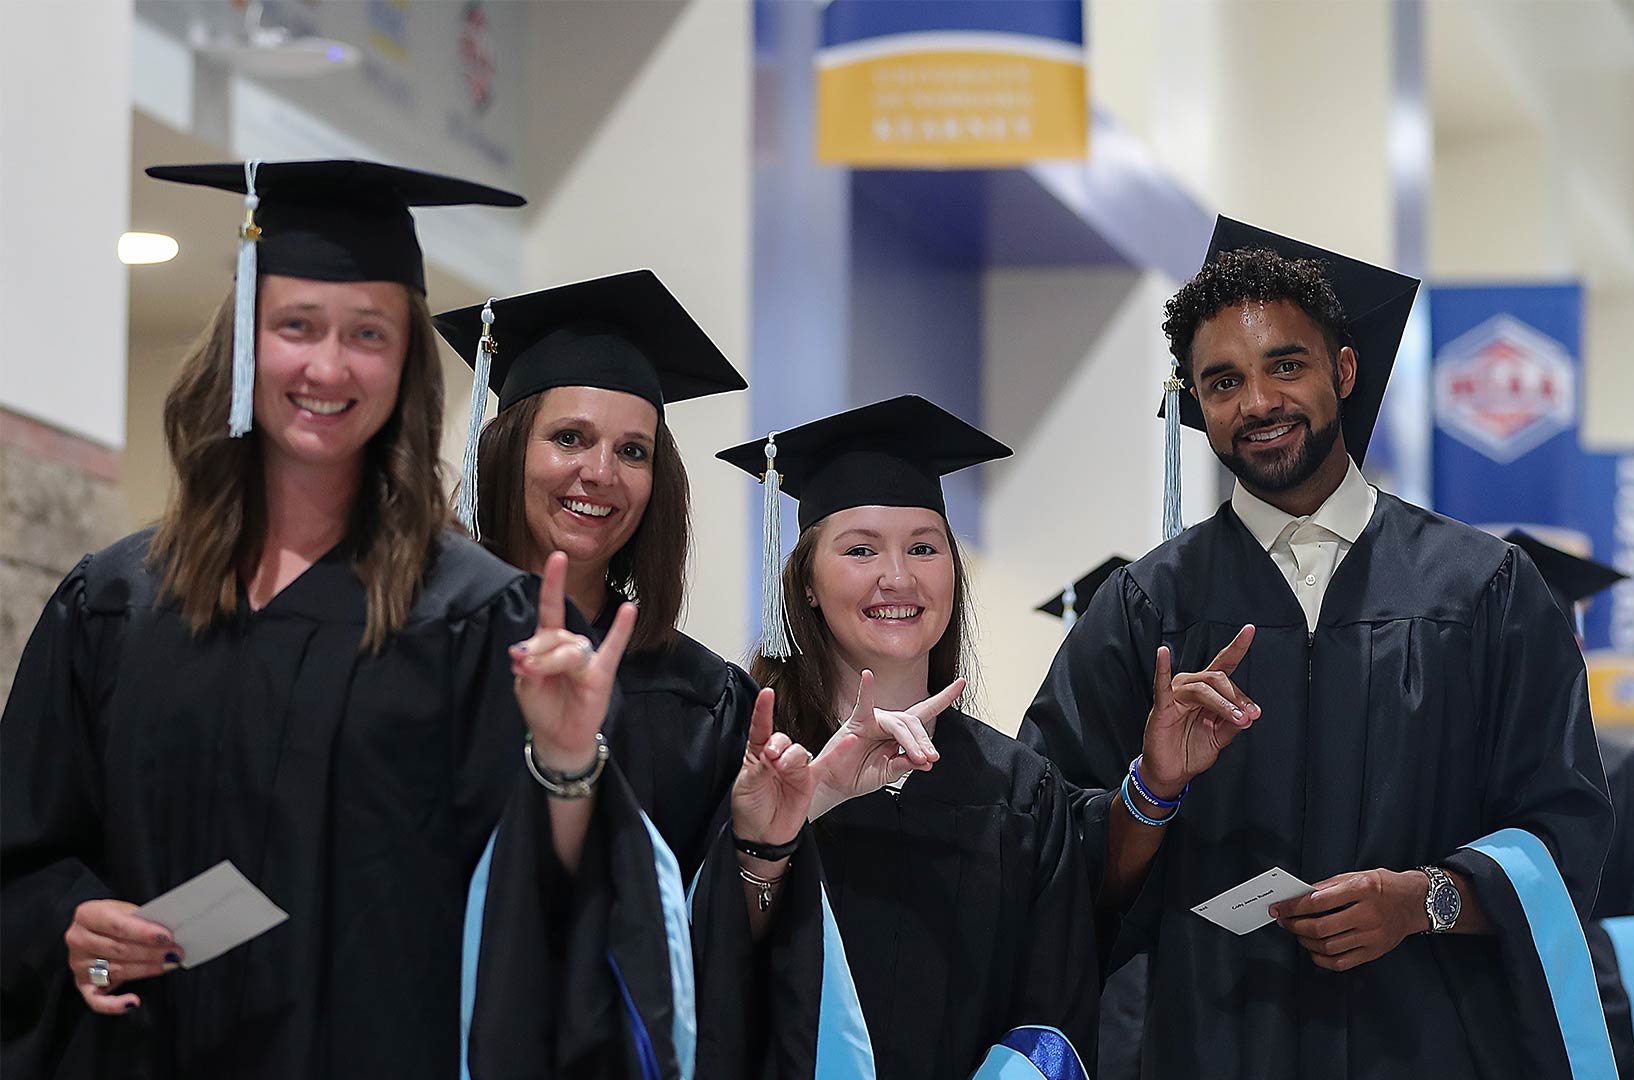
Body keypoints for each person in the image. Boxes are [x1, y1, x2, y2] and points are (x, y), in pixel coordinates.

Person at [0, 160, 687, 1078]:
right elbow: (24, 856)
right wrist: (67, 926)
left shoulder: (478, 619)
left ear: (403, 362)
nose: (328, 366)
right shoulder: (116, 603)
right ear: (244, 340)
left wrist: (566, 766)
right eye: (297, 327)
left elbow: (542, 918)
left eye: (368, 333)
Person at [1021, 217, 1615, 1079]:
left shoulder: (1481, 591)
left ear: (1343, 371)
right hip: (1213, 1047)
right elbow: (1051, 861)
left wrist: (1424, 900)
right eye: (1222, 382)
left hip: (1428, 1047)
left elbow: (1567, 833)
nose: (1257, 402)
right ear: (1198, 402)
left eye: (1285, 366)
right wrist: (1151, 791)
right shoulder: (1147, 608)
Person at [439, 271, 936, 1074]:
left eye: (632, 451)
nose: (599, 472)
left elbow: (727, 961)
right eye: (569, 438)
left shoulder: (703, 700)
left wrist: (763, 846)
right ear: (505, 447)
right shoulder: (427, 651)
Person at [717, 394, 1100, 1079]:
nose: (897, 577)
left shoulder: (1019, 789)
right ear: (805, 579)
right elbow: (701, 969)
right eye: (861, 549)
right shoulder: (751, 760)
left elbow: (1054, 1015)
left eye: (924, 547)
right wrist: (787, 827)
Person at [1506, 530, 1634, 1080]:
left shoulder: (1629, 778)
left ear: (1578, 653)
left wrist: (1538, 955)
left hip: (1593, 1050)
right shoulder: (1447, 769)